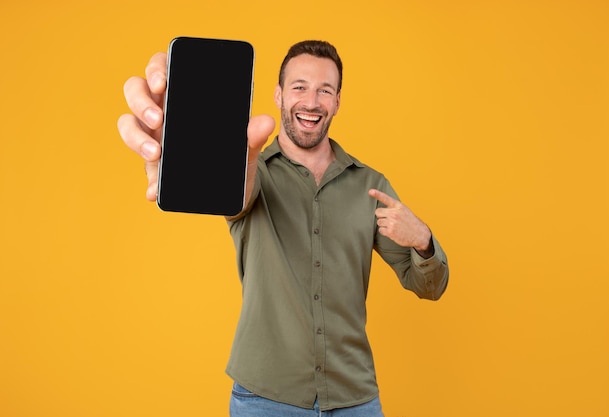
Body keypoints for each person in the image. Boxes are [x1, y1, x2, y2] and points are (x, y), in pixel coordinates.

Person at [118, 39, 449, 417]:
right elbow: (237, 196)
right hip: (264, 399)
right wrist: (182, 146)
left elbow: (430, 286)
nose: (311, 101)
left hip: (354, 399)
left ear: (337, 102)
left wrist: (422, 241)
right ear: (278, 95)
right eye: (299, 87)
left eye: (325, 90)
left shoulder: (370, 185)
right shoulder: (249, 170)